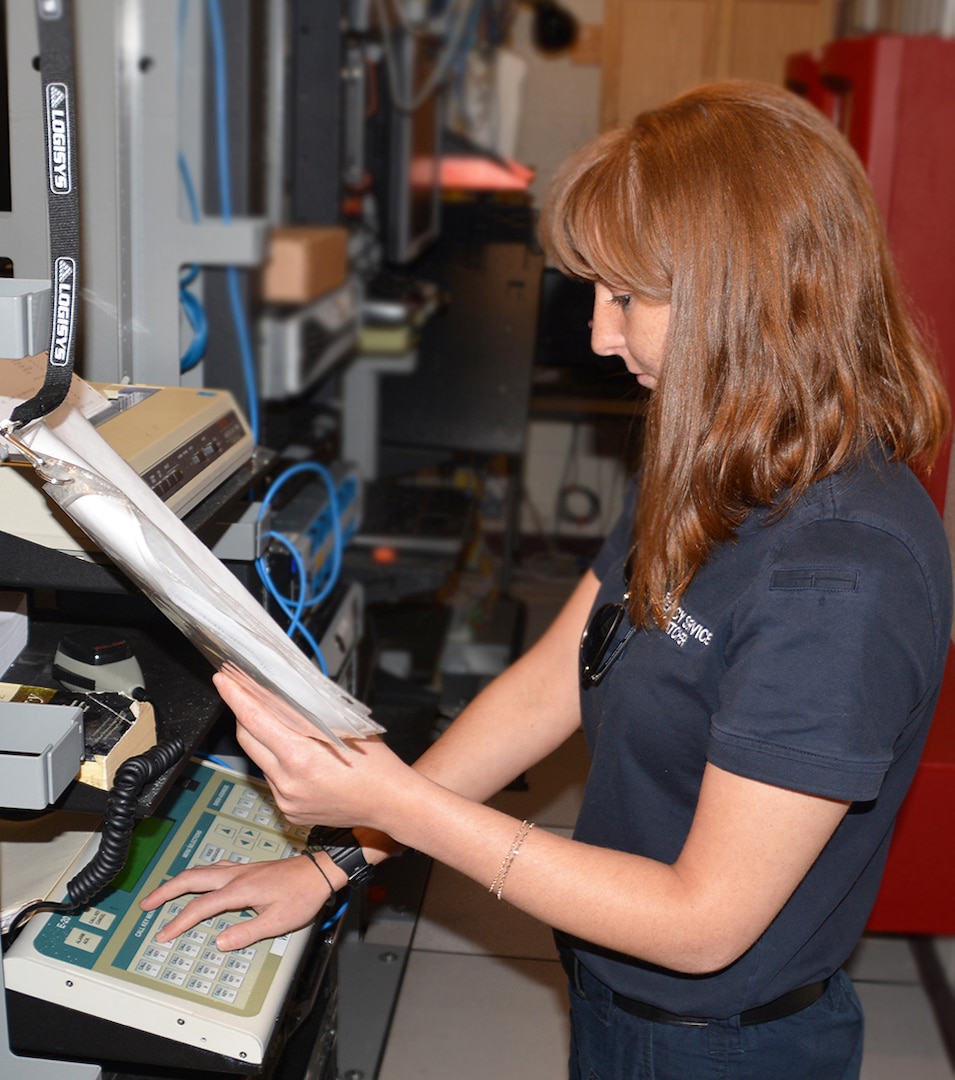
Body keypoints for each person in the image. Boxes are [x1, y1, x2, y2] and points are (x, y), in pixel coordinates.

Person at [142, 81, 952, 1079]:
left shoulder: (843, 574)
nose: (600, 339)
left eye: (626, 296)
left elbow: (702, 924)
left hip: (721, 1047)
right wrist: (333, 860)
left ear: (744, 289)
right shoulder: (720, 460)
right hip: (616, 994)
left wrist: (400, 804)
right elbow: (554, 678)